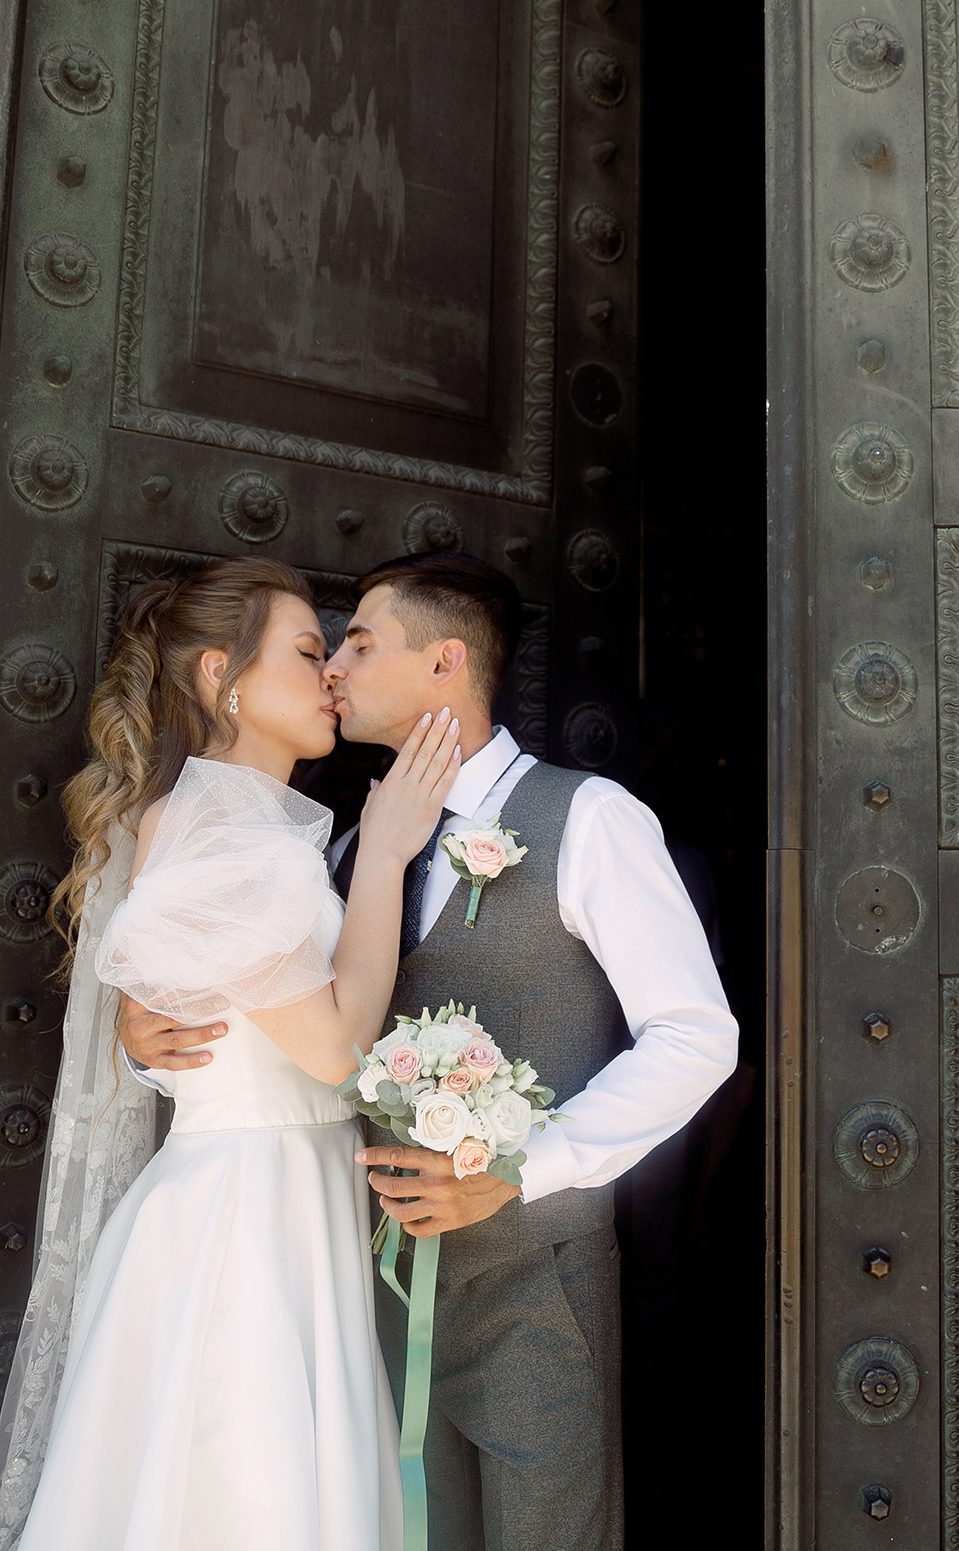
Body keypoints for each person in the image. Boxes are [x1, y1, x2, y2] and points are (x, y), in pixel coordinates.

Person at [127, 552, 739, 1551]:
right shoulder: (340, 849)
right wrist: (156, 1031)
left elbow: (695, 1035)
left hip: (533, 1285)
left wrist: (520, 1165)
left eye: (360, 644)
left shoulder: (587, 815)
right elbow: (293, 1026)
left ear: (445, 660)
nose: (334, 667)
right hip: (365, 1287)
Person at [0, 555, 463, 1551]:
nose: (330, 674)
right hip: (243, 1218)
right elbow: (332, 1049)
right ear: (217, 674)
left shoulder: (246, 826)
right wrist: (382, 855)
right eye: (308, 651)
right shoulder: (218, 827)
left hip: (289, 1190)